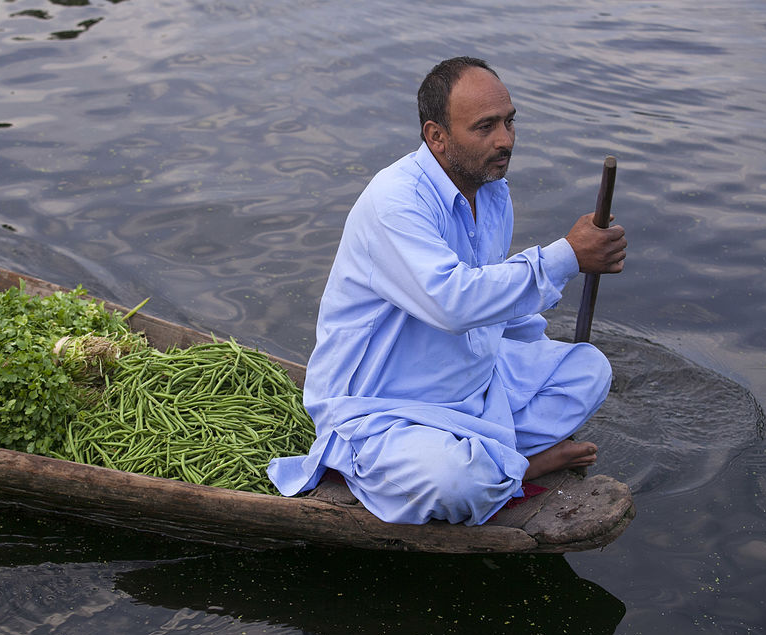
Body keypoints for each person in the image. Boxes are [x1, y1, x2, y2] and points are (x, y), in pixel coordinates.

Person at [266, 56, 627, 526]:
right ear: (436, 136)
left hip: (470, 384)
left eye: (509, 122)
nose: (505, 140)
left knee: (587, 370)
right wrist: (567, 257)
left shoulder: (493, 192)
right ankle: (520, 465)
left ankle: (493, 452)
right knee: (457, 483)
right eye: (485, 127)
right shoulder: (395, 202)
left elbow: (505, 315)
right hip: (383, 409)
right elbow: (454, 301)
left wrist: (536, 363)